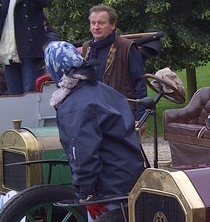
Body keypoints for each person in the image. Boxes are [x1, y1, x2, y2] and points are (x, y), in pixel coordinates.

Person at [44, 40, 144, 206]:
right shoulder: (101, 89)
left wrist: (86, 194)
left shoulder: (75, 106)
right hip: (129, 175)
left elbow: (83, 154)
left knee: (98, 221)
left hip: (110, 188)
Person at [81, 4, 147, 116]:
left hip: (121, 113)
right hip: (93, 113)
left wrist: (140, 116)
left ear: (112, 25)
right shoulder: (87, 48)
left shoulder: (127, 47)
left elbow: (139, 83)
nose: (96, 27)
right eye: (93, 23)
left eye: (101, 23)